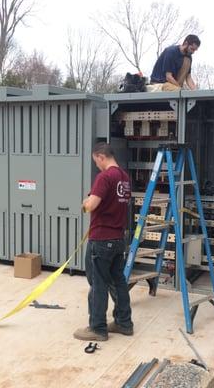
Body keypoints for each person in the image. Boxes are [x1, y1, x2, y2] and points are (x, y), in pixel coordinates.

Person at [73, 142, 134, 341]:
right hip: (118, 238)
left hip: (101, 239)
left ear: (101, 156)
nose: (97, 166)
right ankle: (124, 323)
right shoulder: (124, 178)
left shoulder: (104, 177)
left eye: (96, 161)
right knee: (118, 282)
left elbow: (92, 205)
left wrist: (85, 202)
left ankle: (97, 328)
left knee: (98, 283)